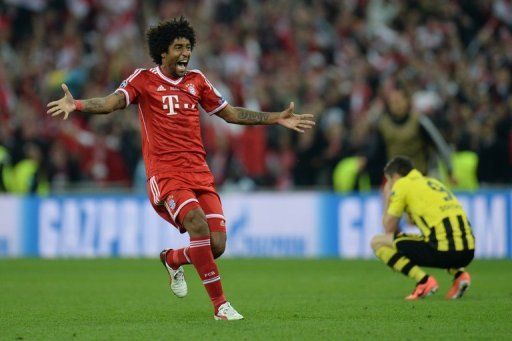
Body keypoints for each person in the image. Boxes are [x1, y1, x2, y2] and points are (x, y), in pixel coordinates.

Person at [46, 16, 315, 320]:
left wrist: (276, 117)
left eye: (188, 47)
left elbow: (232, 114)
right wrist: (77, 105)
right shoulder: (142, 79)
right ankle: (221, 306)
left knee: (216, 245)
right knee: (197, 225)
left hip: (200, 173)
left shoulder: (197, 81)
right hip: (166, 174)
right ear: (163, 51)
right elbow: (111, 103)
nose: (185, 53)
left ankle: (172, 259)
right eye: (178, 47)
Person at [370, 156, 475, 300]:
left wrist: (388, 196)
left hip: (442, 250)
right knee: (437, 239)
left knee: (377, 242)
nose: (389, 184)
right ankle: (460, 275)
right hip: (468, 251)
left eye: (389, 181)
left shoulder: (402, 184)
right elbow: (415, 222)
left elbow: (388, 227)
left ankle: (424, 281)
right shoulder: (432, 182)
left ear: (395, 177)